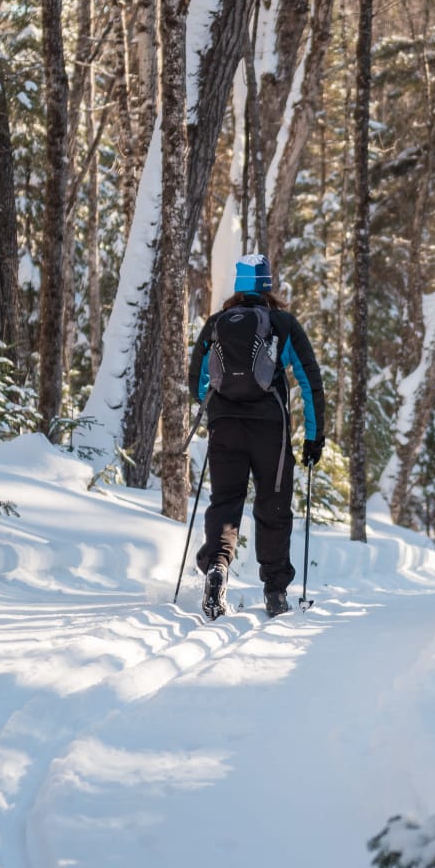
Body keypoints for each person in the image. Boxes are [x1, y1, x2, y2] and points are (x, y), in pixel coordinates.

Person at [187, 253, 325, 619]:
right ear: (268, 286)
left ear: (238, 287)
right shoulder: (283, 324)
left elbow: (197, 382)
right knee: (273, 504)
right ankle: (275, 592)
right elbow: (310, 380)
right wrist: (314, 436)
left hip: (224, 426)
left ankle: (217, 567)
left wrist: (220, 407)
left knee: (225, 501)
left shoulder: (217, 323)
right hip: (270, 430)